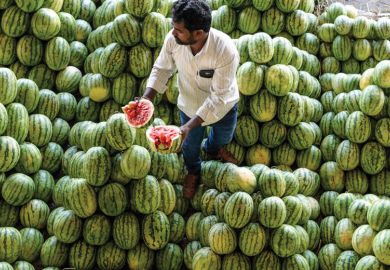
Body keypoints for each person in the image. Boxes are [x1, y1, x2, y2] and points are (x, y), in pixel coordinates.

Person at [142, 0, 240, 199]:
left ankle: (214, 149)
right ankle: (194, 171)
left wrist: (188, 127)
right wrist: (146, 100)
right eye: (173, 28)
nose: (173, 33)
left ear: (198, 33)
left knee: (223, 137)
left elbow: (218, 98)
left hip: (223, 107)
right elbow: (162, 69)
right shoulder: (173, 40)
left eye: (179, 30)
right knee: (189, 148)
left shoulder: (225, 50)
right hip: (189, 105)